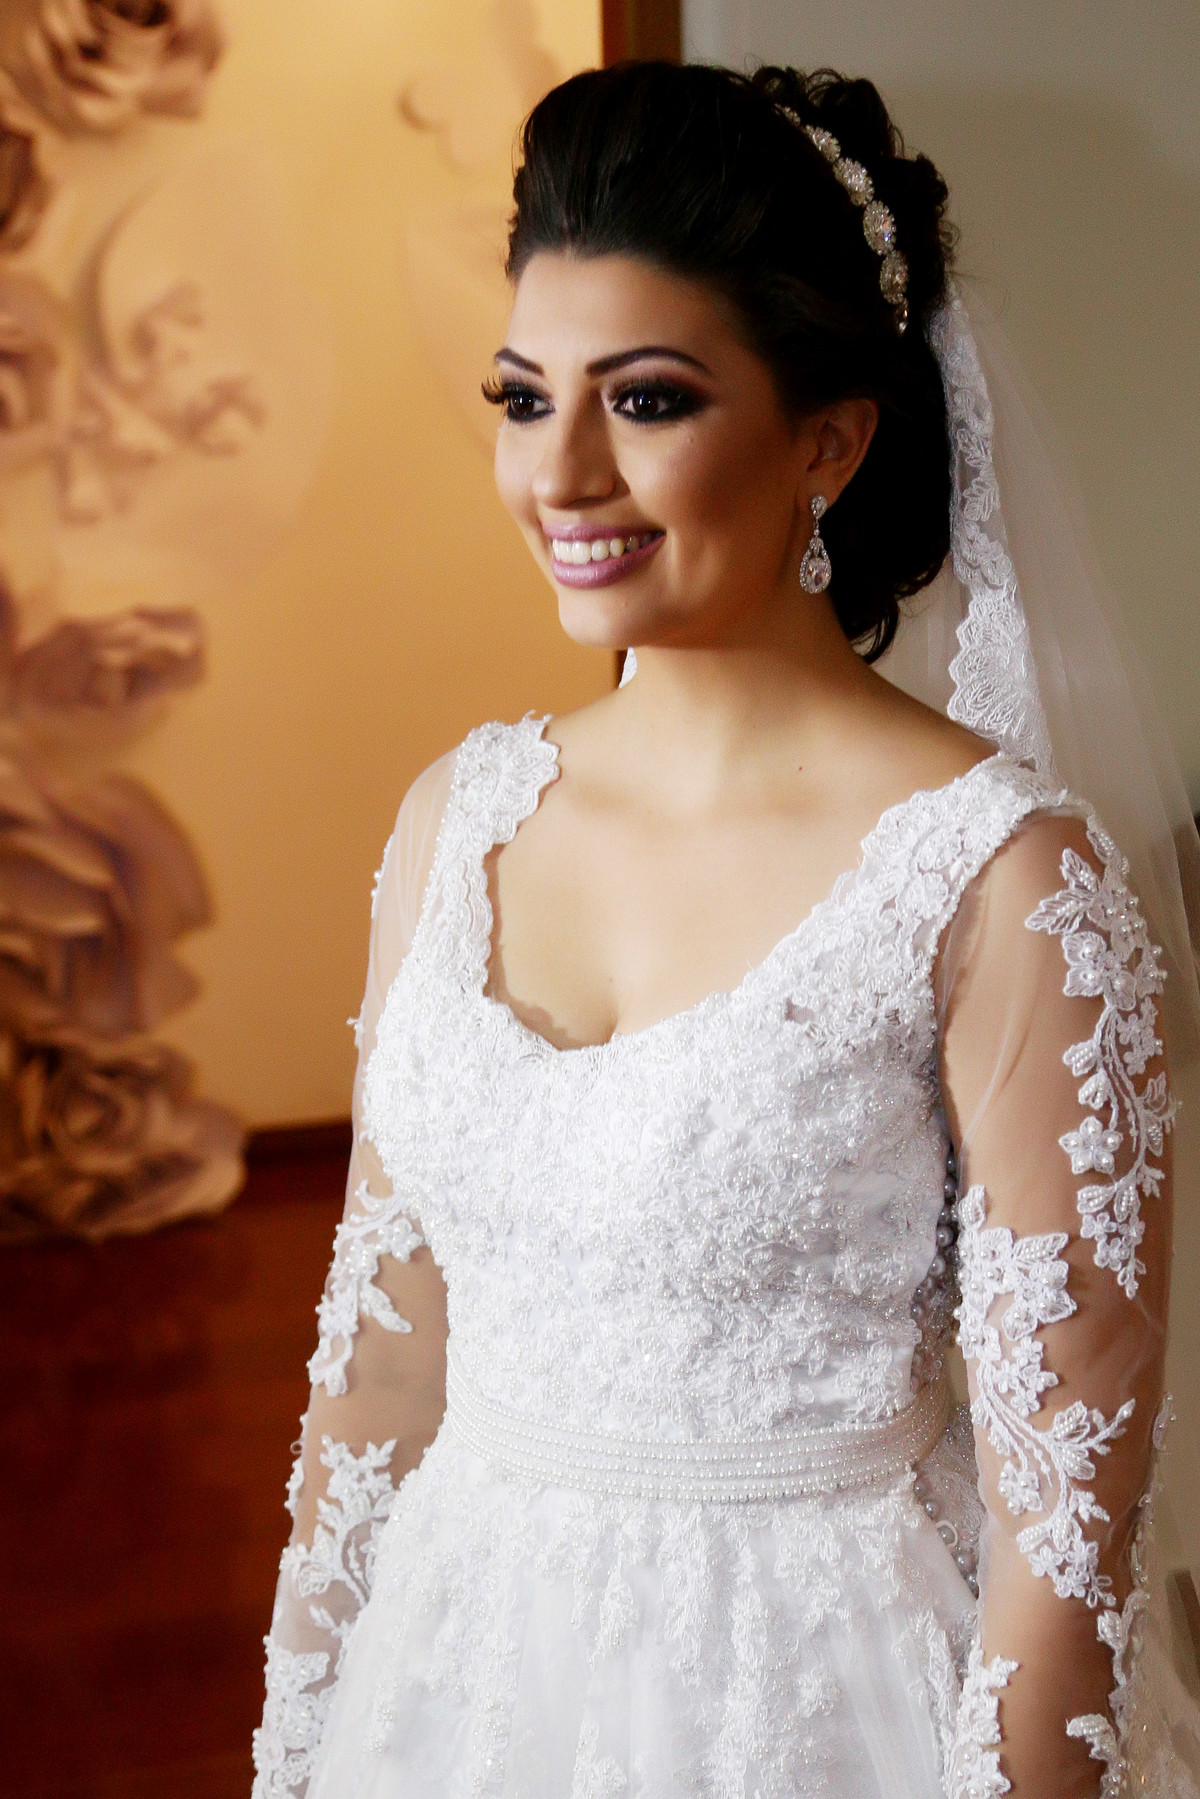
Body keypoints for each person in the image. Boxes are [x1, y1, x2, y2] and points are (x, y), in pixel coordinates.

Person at [252, 61, 1200, 1799]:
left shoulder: (1000, 881)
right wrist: (300, 1747)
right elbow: (377, 1379)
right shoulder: (456, 819)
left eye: (649, 400)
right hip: (455, 1693)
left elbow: (1068, 1532)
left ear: (831, 438)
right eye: (523, 398)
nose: (562, 473)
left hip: (823, 1710)